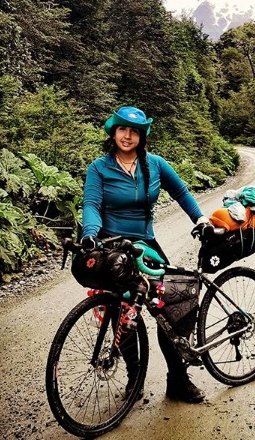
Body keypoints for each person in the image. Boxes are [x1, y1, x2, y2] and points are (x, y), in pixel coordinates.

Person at [81, 105, 209, 403]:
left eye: (134, 131)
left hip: (146, 243)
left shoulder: (155, 165)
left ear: (142, 135)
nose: (127, 136)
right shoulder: (99, 168)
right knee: (123, 310)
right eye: (122, 129)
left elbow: (181, 192)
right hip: (112, 245)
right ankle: (134, 379)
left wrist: (200, 220)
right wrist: (90, 233)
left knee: (172, 305)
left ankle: (177, 380)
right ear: (113, 132)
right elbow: (91, 203)